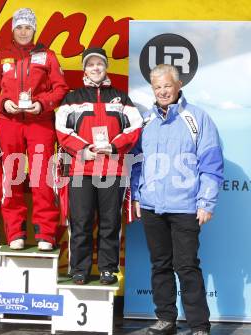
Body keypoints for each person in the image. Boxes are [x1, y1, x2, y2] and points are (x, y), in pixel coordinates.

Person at [130, 64, 223, 335]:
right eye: (157, 87)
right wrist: (137, 195)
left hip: (185, 206)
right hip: (151, 206)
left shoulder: (197, 118)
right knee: (160, 265)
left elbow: (211, 164)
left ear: (178, 85)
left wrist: (206, 202)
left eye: (167, 86)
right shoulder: (146, 120)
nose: (162, 91)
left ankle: (199, 326)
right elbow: (137, 163)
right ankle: (166, 319)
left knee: (186, 266)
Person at [55, 47, 142, 285]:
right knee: (81, 221)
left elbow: (135, 127)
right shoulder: (73, 98)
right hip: (81, 169)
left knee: (110, 221)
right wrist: (84, 149)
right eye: (91, 64)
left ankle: (107, 268)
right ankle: (79, 269)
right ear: (85, 68)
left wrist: (114, 147)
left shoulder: (121, 97)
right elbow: (62, 130)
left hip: (112, 169)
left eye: (100, 64)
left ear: (106, 67)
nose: (95, 68)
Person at [0, 8, 69, 251]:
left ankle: (45, 233)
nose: (23, 31)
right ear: (13, 30)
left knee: (41, 177)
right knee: (10, 178)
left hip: (40, 123)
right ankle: (15, 233)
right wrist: (3, 103)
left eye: (28, 27)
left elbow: (61, 88)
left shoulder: (48, 56)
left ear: (34, 30)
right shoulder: (1, 57)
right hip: (9, 123)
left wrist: (42, 104)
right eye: (19, 27)